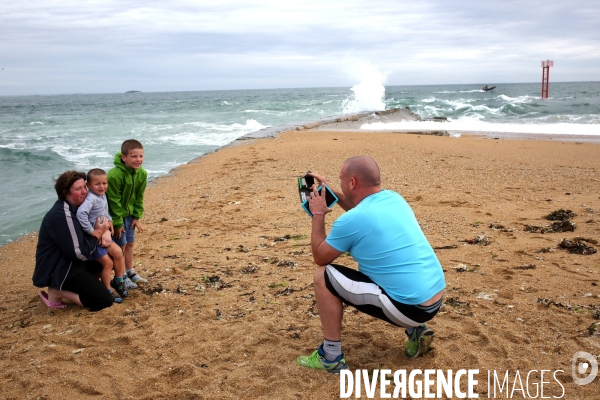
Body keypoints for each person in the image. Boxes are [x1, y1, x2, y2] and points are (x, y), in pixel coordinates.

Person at [296, 156, 446, 373]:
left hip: (409, 309)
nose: (339, 183)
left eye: (341, 179)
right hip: (434, 297)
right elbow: (359, 209)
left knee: (323, 275)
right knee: (393, 266)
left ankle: (330, 357)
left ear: (352, 183)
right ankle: (417, 332)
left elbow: (320, 256)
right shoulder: (394, 199)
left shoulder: (355, 220)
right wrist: (329, 191)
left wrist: (318, 214)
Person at [32, 170, 114, 311]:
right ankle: (58, 291)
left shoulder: (78, 208)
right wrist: (98, 233)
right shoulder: (63, 214)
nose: (84, 192)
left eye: (84, 187)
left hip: (72, 261)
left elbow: (99, 221)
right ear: (66, 193)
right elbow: (79, 254)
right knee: (104, 301)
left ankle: (84, 285)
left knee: (110, 255)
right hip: (60, 268)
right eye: (78, 189)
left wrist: (105, 230)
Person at [76, 168, 128, 303]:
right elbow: (81, 214)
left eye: (104, 183)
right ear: (88, 185)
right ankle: (106, 290)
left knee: (118, 252)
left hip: (104, 234)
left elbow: (105, 211)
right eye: (97, 184)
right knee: (108, 263)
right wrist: (92, 231)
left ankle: (118, 281)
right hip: (94, 239)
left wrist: (109, 220)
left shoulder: (102, 195)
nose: (102, 186)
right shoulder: (91, 199)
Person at [107, 139, 148, 289]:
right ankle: (121, 276)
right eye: (134, 156)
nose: (138, 160)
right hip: (117, 216)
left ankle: (130, 272)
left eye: (141, 156)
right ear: (124, 157)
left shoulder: (142, 173)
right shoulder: (114, 175)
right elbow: (113, 201)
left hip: (130, 215)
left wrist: (137, 217)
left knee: (130, 243)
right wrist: (117, 223)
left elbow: (139, 196)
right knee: (121, 245)